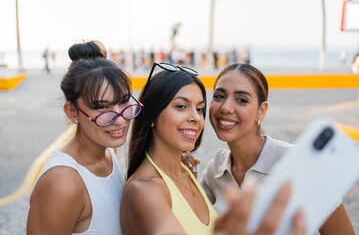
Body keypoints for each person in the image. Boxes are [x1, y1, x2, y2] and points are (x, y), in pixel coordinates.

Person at [120, 62, 306, 235]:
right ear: (152, 114)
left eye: (200, 109)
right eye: (181, 106)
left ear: (262, 110)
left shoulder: (188, 174)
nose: (196, 118)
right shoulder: (144, 190)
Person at [184, 63, 354, 234]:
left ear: (261, 111)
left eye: (242, 100)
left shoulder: (299, 162)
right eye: (219, 96)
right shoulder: (216, 167)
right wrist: (182, 172)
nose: (226, 107)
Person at [27, 41, 143, 235]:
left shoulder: (106, 149)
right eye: (101, 107)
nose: (119, 118)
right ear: (72, 112)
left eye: (123, 102)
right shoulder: (62, 182)